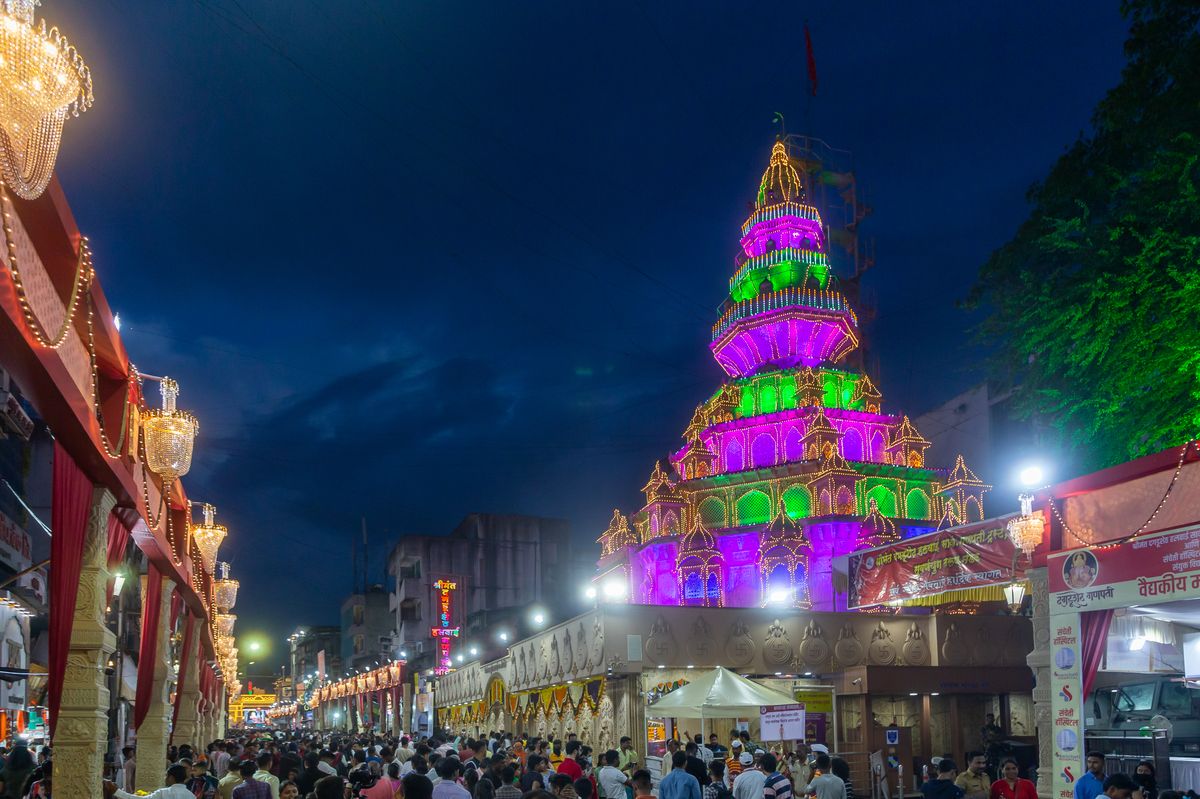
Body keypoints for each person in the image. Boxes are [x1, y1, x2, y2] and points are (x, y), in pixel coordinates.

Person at [108, 764, 193, 799]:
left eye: (166, 776)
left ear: (171, 778)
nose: (165, 778)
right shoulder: (191, 796)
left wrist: (117, 792)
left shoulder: (164, 793)